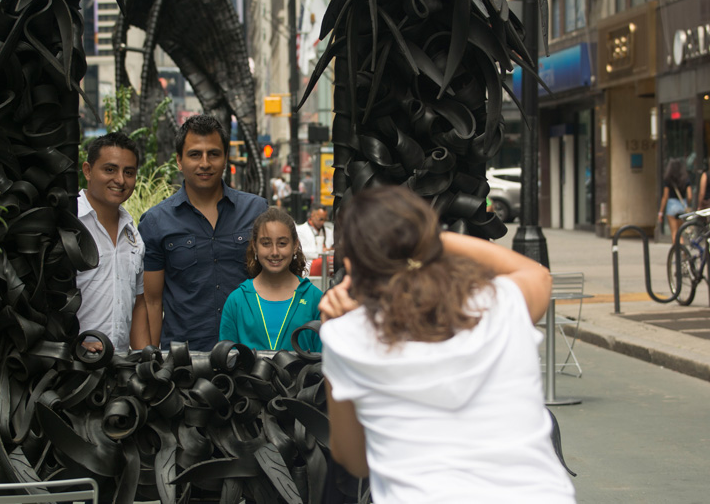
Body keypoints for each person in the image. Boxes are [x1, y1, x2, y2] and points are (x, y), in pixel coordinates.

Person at [319, 186, 575, 503]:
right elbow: (536, 274)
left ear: (354, 265)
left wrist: (333, 326)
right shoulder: (498, 303)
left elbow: (354, 460)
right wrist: (430, 243)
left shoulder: (347, 338)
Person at [138, 114, 268, 351]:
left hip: (249, 353)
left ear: (226, 158)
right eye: (195, 154)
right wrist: (152, 361)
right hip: (182, 359)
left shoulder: (257, 211)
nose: (205, 163)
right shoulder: (156, 222)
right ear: (179, 160)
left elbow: (277, 281)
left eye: (214, 154)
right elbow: (151, 302)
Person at [76, 132, 150, 352]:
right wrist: (74, 344)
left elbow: (138, 304)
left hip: (119, 369)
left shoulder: (133, 234)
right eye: (110, 169)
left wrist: (143, 362)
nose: (120, 180)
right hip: (71, 367)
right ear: (88, 171)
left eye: (129, 172)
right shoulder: (68, 224)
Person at [219, 208, 322, 352]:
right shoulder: (237, 301)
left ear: (295, 245)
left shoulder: (314, 299)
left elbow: (324, 363)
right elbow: (226, 361)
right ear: (255, 246)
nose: (274, 252)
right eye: (266, 243)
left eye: (282, 243)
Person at [658, 158, 693, 244]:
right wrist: (687, 204)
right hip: (682, 205)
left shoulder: (668, 180)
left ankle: (677, 253)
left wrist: (661, 212)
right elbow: (690, 195)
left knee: (674, 233)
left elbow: (665, 197)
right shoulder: (685, 179)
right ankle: (683, 252)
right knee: (680, 232)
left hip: (672, 206)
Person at [296, 204, 333, 275]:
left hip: (326, 270)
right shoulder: (300, 231)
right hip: (307, 269)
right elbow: (299, 252)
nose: (323, 222)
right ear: (312, 216)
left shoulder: (329, 231)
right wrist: (320, 252)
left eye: (325, 220)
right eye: (321, 219)